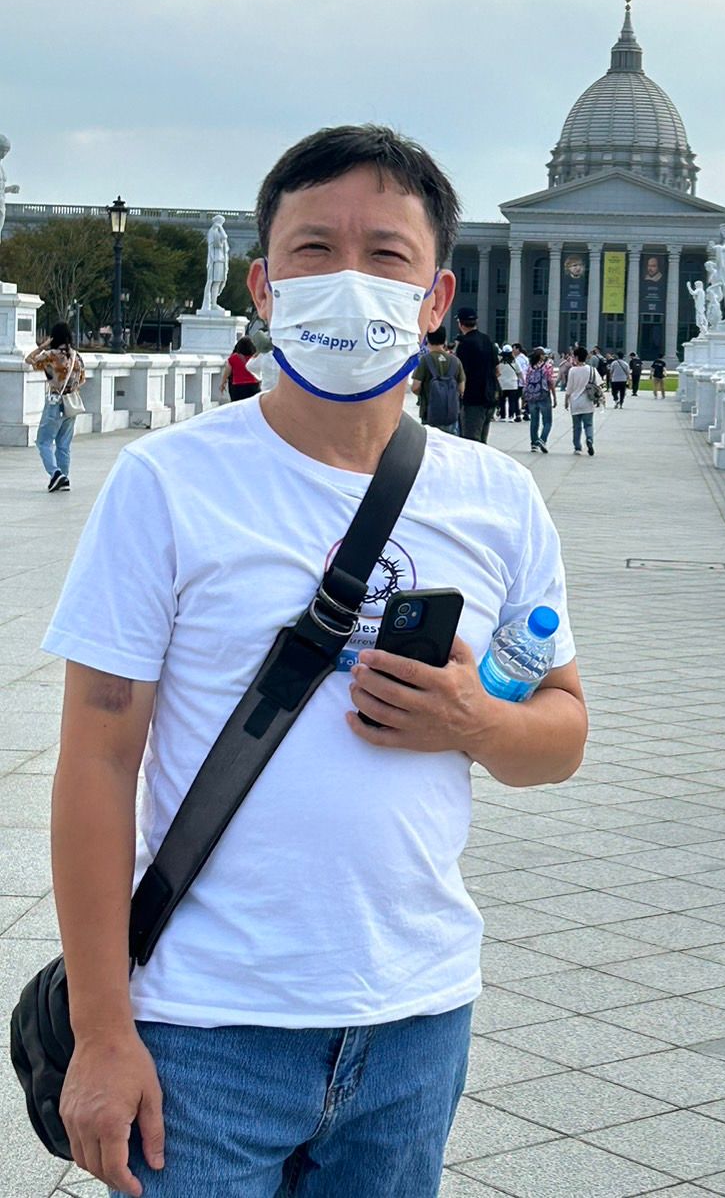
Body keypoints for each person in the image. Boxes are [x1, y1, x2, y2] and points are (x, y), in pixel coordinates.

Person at [42, 125, 588, 1198]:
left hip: (415, 1016)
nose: (348, 278)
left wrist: (476, 720)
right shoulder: (168, 482)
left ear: (434, 297)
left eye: (384, 255)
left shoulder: (496, 497)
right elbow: (96, 758)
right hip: (202, 1026)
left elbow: (561, 735)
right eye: (313, 250)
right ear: (263, 284)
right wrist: (103, 1031)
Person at [25, 322, 86, 492]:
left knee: (43, 441)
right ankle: (64, 479)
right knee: (63, 445)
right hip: (71, 404)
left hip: (55, 403)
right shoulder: (76, 357)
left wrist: (42, 347)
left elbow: (29, 360)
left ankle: (55, 473)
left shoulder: (51, 355)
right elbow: (82, 380)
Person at [455, 306, 499, 443]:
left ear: (460, 323)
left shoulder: (464, 344)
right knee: (482, 441)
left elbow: (460, 374)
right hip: (489, 396)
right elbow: (497, 370)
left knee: (470, 441)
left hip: (472, 398)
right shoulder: (487, 340)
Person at [411, 324, 465, 433]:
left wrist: (426, 394)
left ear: (427, 339)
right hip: (450, 413)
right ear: (445, 340)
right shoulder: (455, 361)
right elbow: (461, 389)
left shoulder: (425, 360)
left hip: (429, 413)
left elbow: (415, 387)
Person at [564, 344, 596, 456]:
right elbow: (599, 384)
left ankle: (577, 447)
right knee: (588, 425)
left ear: (577, 357)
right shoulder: (591, 370)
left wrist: (566, 401)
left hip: (575, 402)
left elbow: (569, 388)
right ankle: (589, 439)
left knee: (576, 427)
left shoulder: (573, 370)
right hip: (588, 402)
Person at [524, 348, 556, 453]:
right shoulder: (547, 367)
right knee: (547, 421)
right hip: (543, 396)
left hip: (532, 397)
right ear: (541, 356)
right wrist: (554, 396)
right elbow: (551, 382)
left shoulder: (530, 367)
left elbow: (526, 382)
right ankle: (542, 439)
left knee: (534, 420)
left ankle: (534, 444)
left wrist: (525, 397)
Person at [219, 336, 262, 402]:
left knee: (237, 405)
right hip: (253, 385)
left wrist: (222, 383)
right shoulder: (255, 358)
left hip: (238, 387)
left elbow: (227, 373)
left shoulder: (233, 358)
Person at [496, 347, 521, 421]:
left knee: (502, 401)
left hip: (502, 384)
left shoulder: (499, 362)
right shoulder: (514, 362)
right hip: (512, 384)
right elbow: (519, 372)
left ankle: (502, 416)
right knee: (512, 401)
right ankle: (511, 416)